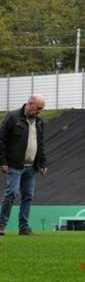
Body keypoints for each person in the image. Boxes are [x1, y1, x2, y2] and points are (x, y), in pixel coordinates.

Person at [1, 95, 48, 236]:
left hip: (31, 166)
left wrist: (42, 163)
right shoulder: (12, 117)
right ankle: (1, 225)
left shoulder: (39, 122)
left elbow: (40, 145)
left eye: (42, 109)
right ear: (30, 104)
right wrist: (2, 162)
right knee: (12, 193)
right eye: (38, 108)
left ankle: (24, 228)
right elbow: (1, 141)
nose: (40, 111)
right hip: (15, 165)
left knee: (28, 196)